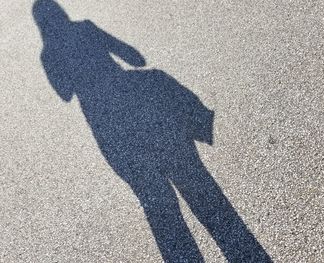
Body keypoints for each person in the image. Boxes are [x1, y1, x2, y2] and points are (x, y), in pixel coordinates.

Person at [33, 1, 271, 262]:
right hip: (141, 104)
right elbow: (136, 58)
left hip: (108, 127)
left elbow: (65, 93)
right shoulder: (85, 28)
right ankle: (245, 252)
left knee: (158, 206)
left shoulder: (48, 55)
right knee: (197, 184)